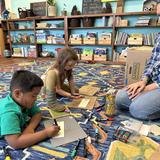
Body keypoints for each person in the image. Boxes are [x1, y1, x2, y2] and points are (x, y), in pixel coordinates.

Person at [0, 70, 60, 149]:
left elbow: (37, 113)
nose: (36, 99)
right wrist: (46, 133)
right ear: (17, 94)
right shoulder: (9, 113)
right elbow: (15, 143)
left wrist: (30, 128)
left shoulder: (24, 101)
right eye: (33, 96)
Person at [115, 33, 160, 120]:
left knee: (137, 109)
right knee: (120, 98)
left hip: (157, 84)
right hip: (155, 81)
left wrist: (148, 89)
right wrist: (144, 81)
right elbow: (152, 61)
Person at [43, 47, 82, 112]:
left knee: (76, 90)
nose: (71, 67)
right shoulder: (53, 71)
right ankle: (51, 103)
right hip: (48, 90)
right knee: (56, 95)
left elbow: (70, 79)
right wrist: (70, 96)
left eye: (73, 65)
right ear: (62, 61)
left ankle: (65, 93)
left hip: (58, 86)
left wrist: (73, 92)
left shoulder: (67, 68)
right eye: (70, 65)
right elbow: (58, 90)